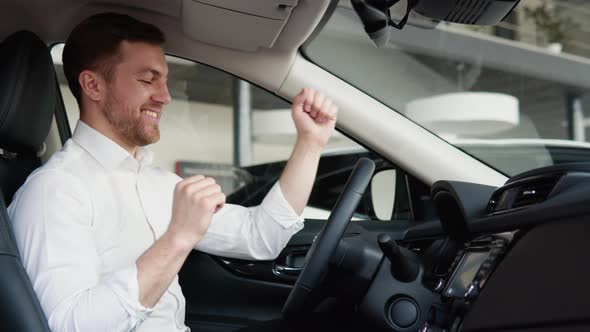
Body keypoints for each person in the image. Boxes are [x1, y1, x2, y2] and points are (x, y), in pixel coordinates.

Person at [8, 12, 338, 332]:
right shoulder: (55, 190)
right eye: (147, 80)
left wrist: (310, 143)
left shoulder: (159, 183)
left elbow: (261, 237)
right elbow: (68, 326)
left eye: (165, 81)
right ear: (93, 86)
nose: (165, 97)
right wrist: (178, 237)